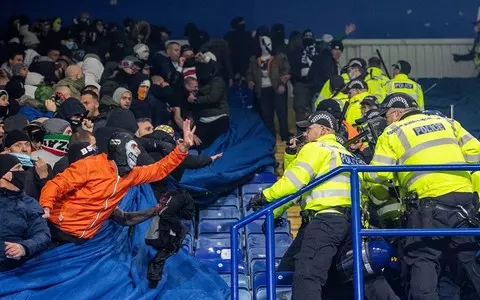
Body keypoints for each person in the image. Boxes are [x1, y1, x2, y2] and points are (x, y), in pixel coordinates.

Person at [364, 93, 480, 299]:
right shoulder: (448, 122)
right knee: (468, 258)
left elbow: (378, 174)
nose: (385, 121)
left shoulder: (393, 131)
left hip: (428, 205)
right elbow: (475, 154)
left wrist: (362, 175)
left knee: (423, 259)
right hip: (464, 202)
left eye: (387, 116)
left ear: (397, 112)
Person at [247, 111, 360, 299]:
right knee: (334, 281)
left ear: (323, 130)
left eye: (309, 129)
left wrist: (264, 196)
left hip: (325, 220)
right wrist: (291, 154)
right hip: (350, 224)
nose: (305, 134)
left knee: (307, 277)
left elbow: (293, 183)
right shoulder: (346, 154)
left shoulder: (316, 148)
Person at [39, 120, 195, 243]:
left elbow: (159, 170)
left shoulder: (131, 174)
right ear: (120, 148)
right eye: (134, 147)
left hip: (84, 238)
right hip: (60, 230)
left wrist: (182, 149)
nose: (138, 151)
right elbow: (57, 184)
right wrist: (46, 205)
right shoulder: (91, 165)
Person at [0, 154, 51, 271]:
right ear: (5, 175)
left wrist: (23, 248)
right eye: (17, 168)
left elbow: (43, 235)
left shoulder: (29, 204)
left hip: (12, 268)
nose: (22, 171)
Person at [246, 35, 291, 141]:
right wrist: (250, 81)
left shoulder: (279, 57)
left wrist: (282, 83)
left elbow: (286, 70)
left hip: (277, 88)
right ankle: (270, 137)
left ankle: (285, 135)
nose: (266, 46)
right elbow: (249, 73)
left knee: (282, 113)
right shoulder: (254, 60)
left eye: (268, 44)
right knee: (267, 115)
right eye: (264, 44)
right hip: (262, 90)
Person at [188, 62, 229, 149]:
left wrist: (195, 100)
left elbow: (213, 98)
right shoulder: (199, 84)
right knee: (198, 143)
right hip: (204, 119)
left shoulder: (217, 81)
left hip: (219, 116)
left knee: (218, 145)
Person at [3, 130, 53, 200]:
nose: (24, 149)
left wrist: (44, 177)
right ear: (7, 150)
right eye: (18, 145)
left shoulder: (42, 167)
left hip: (35, 209)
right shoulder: (3, 169)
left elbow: (50, 196)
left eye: (27, 144)